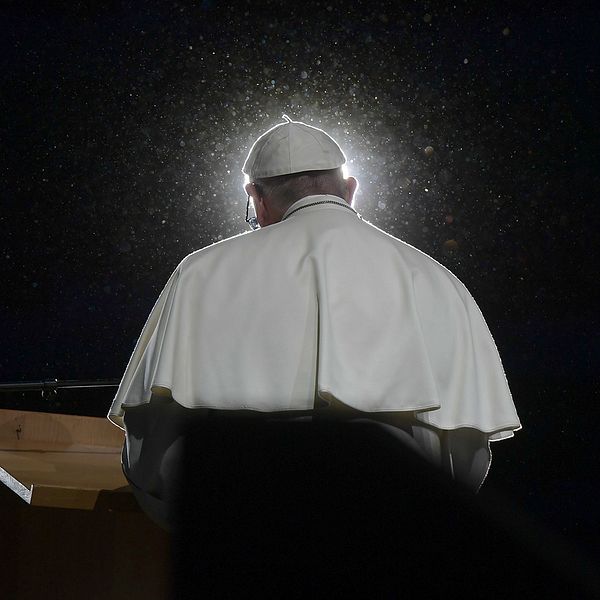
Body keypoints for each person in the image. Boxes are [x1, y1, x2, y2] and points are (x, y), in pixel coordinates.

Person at [107, 114, 521, 530]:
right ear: (351, 190)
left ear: (256, 198)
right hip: (387, 530)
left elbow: (152, 448)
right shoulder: (435, 280)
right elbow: (466, 456)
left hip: (241, 528)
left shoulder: (201, 272)